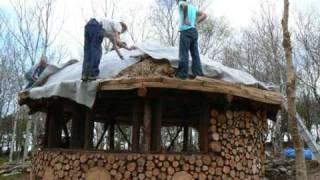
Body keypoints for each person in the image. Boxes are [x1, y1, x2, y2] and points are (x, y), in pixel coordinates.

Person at [175, 0, 207, 79]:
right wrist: (195, 22)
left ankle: (182, 75)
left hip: (186, 31)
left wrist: (185, 19)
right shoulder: (192, 8)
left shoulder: (181, 3)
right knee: (195, 54)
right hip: (194, 31)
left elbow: (184, 6)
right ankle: (198, 74)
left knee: (184, 53)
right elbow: (204, 15)